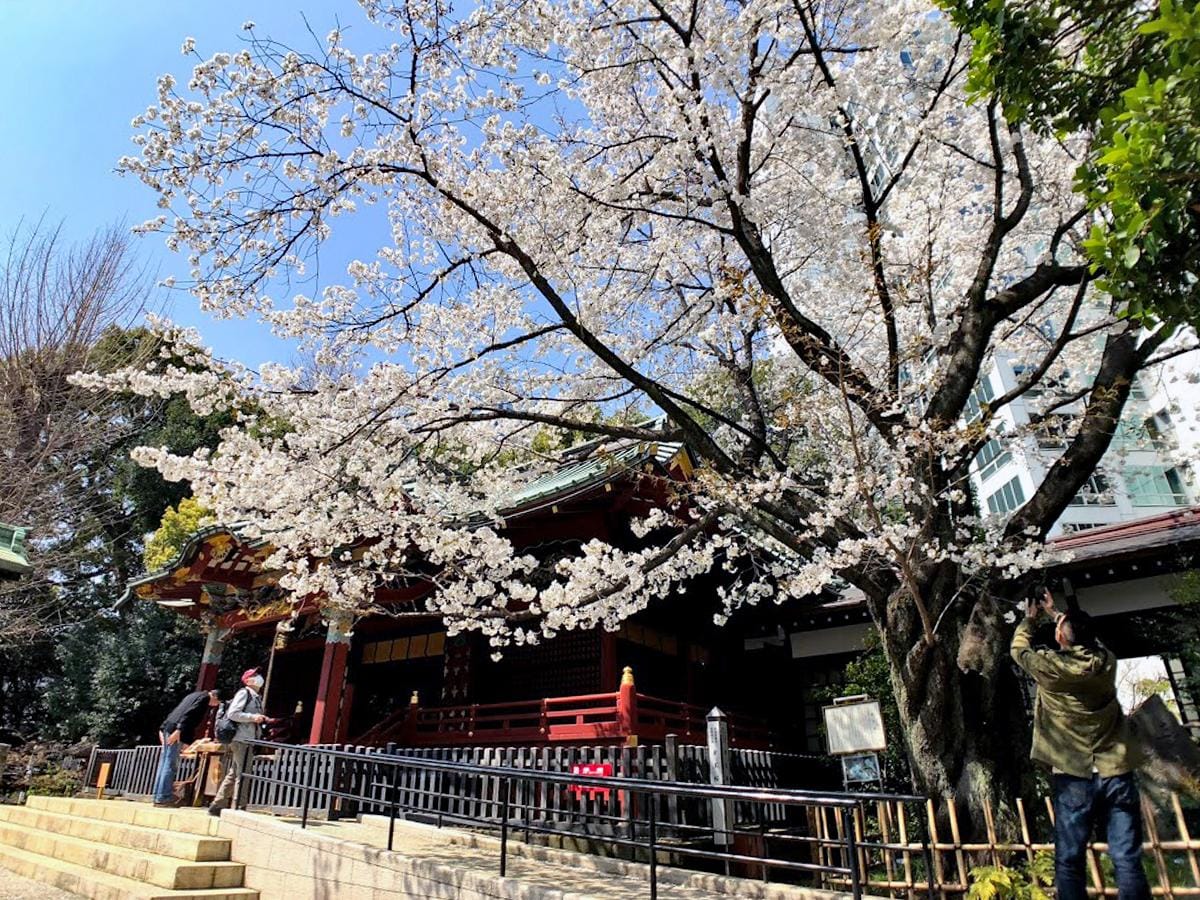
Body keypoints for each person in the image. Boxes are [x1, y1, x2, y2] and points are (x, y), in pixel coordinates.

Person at [1011, 587, 1149, 900]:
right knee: (1127, 856)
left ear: (1061, 637)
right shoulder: (1106, 662)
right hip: (1115, 768)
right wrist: (1058, 614)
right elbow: (1086, 638)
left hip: (1073, 771)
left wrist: (1030, 621)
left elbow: (1019, 650)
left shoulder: (1051, 670)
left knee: (1070, 859)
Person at [208, 667, 268, 816]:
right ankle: (240, 806)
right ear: (248, 680)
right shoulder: (244, 693)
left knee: (234, 772)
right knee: (244, 772)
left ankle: (217, 804)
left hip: (248, 738)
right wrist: (253, 717)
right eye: (255, 675)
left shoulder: (256, 697)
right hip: (241, 738)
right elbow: (233, 713)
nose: (259, 677)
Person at [153, 688, 219, 807]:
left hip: (169, 727)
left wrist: (162, 729)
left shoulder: (193, 695)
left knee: (164, 763)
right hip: (176, 731)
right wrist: (179, 730)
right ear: (215, 697)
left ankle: (158, 795)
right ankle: (164, 797)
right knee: (170, 764)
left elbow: (177, 711)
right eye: (216, 703)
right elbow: (189, 714)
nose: (214, 705)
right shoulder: (205, 698)